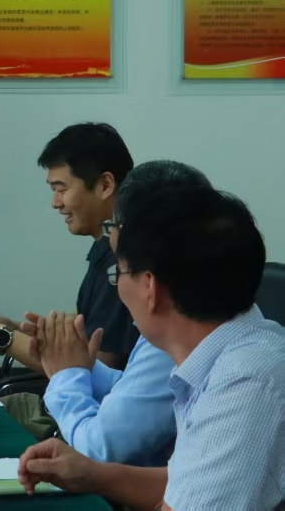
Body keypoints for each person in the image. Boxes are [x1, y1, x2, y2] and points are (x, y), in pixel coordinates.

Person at [19, 184, 285, 510]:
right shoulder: (228, 353)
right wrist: (92, 475)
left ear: (150, 287)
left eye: (118, 272)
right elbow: (188, 483)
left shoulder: (244, 381)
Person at [20, 160, 202, 467]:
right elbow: (138, 392)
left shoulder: (179, 331)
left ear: (149, 283)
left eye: (119, 273)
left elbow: (100, 448)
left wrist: (67, 375)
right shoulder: (194, 306)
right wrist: (80, 364)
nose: (55, 203)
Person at [0, 123, 138, 373]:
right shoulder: (105, 249)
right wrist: (16, 330)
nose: (55, 203)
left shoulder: (125, 261)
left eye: (61, 189)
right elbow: (79, 342)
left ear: (105, 185)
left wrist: (0, 337)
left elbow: (97, 373)